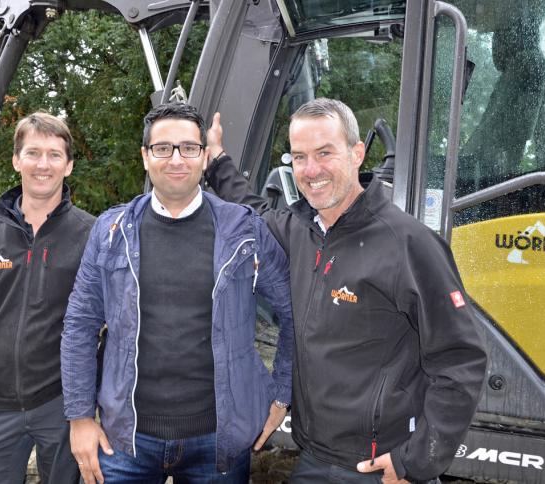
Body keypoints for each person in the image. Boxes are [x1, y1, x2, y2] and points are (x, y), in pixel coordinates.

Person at [204, 98, 487, 484]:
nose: (311, 170)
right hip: (314, 457)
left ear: (357, 154)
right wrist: (217, 161)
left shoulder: (407, 244)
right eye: (299, 157)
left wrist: (415, 461)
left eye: (325, 153)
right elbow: (251, 210)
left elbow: (461, 359)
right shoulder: (299, 231)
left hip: (378, 467)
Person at [61, 102, 294, 484]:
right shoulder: (111, 232)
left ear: (204, 156)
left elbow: (293, 310)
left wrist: (281, 394)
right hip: (126, 440)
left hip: (218, 441)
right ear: (145, 156)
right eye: (162, 148)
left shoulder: (244, 230)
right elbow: (79, 325)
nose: (175, 159)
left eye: (188, 148)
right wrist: (80, 417)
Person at [0, 112, 95, 483]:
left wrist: (94, 409)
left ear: (69, 166)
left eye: (54, 155)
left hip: (64, 406)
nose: (43, 164)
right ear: (16, 160)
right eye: (33, 153)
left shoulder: (92, 236)